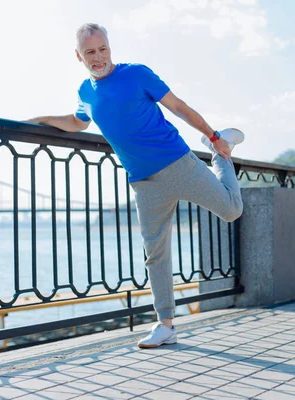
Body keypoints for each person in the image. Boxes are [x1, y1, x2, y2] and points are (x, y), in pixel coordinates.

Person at [25, 23, 244, 348]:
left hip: (177, 163)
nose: (98, 58)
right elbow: (77, 122)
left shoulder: (137, 74)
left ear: (110, 48)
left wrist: (213, 137)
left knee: (231, 210)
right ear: (78, 56)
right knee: (155, 254)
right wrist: (43, 119)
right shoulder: (85, 92)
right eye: (90, 53)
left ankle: (221, 156)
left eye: (103, 50)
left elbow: (179, 106)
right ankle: (165, 324)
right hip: (143, 182)